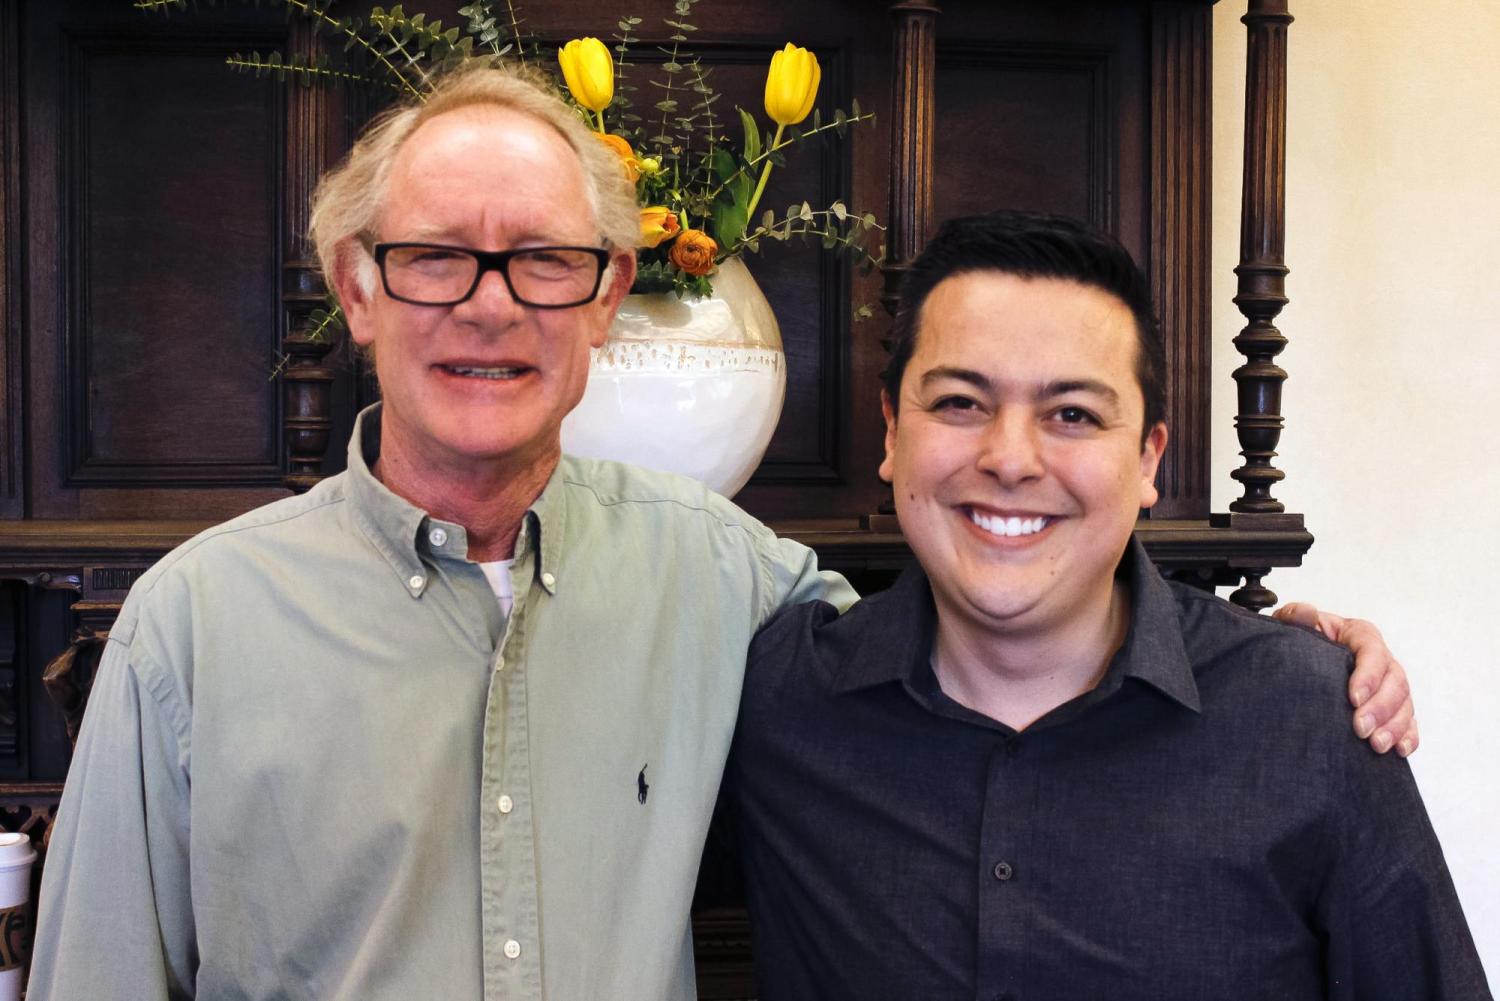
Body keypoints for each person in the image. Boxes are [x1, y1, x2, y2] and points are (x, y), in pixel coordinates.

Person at [26, 65, 1414, 1001]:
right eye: (435, 254)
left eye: (546, 261)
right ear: (357, 287)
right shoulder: (192, 627)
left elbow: (995, 575)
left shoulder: (722, 578)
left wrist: (1277, 654)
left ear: (608, 292)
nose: (491, 304)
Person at [728, 210, 1490, 1000]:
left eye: (1073, 415)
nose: (1010, 459)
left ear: (1147, 457)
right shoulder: (772, 698)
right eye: (960, 401)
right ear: (892, 432)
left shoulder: (1310, 719)